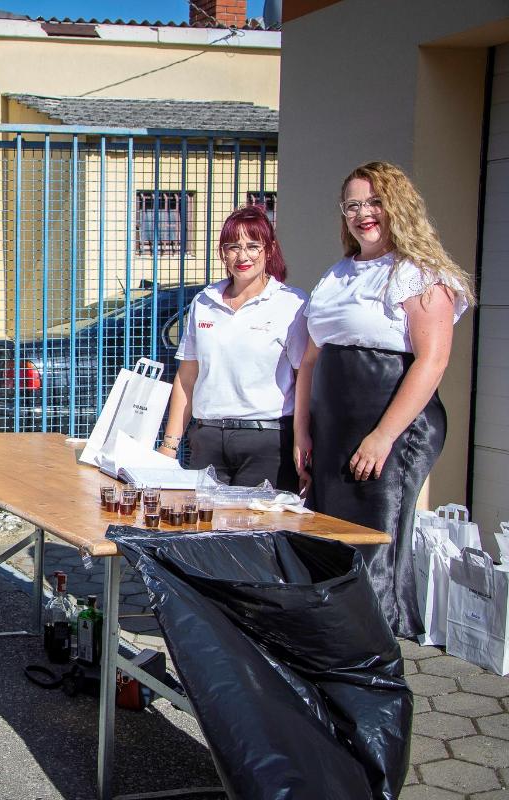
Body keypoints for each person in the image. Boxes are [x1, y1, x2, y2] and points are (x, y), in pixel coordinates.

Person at [294, 161, 473, 638]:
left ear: (398, 207)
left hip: (392, 427)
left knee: (376, 539)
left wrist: (383, 436)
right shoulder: (337, 274)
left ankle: (380, 645)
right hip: (334, 428)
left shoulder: (421, 274)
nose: (363, 213)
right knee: (333, 534)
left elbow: (432, 361)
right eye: (352, 205)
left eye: (374, 202)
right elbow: (310, 360)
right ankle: (339, 637)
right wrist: (302, 431)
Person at [158, 205, 308, 490]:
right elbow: (187, 378)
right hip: (208, 440)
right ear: (222, 252)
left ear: (269, 250)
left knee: (259, 520)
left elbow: (305, 379)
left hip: (268, 442)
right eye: (233, 247)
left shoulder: (292, 304)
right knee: (203, 518)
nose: (243, 256)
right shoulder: (204, 301)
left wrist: (303, 439)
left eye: (253, 246)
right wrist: (169, 446)